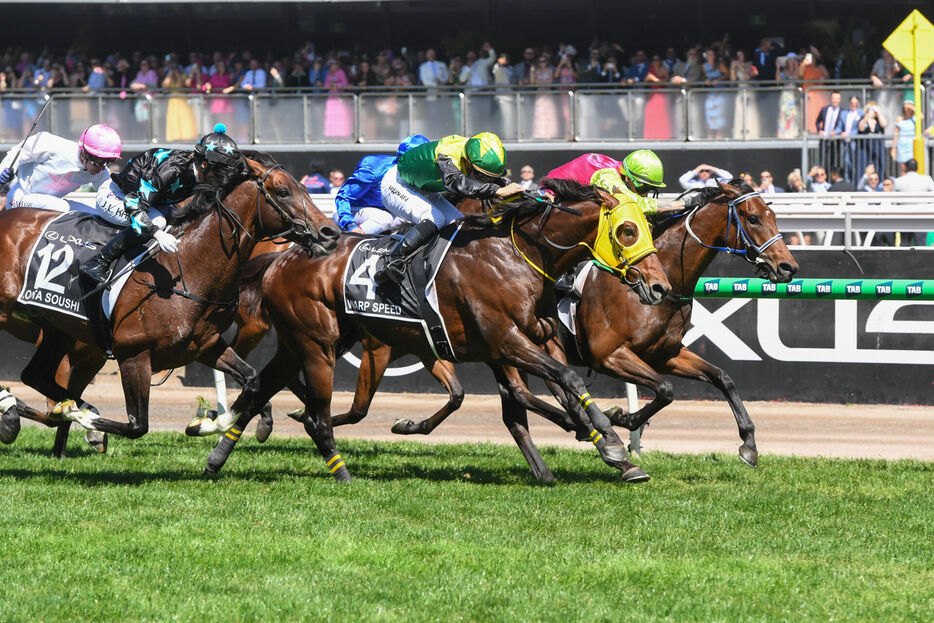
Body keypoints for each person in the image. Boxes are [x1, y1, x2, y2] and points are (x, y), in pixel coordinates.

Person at [79, 124, 243, 283]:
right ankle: (99, 262)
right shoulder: (171, 171)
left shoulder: (201, 169)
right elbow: (134, 205)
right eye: (222, 172)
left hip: (150, 202)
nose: (224, 178)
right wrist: (158, 234)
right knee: (158, 222)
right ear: (205, 165)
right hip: (116, 195)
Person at [374, 132, 523, 284]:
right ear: (468, 162)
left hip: (424, 188)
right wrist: (496, 190)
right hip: (397, 184)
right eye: (481, 176)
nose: (484, 181)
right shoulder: (448, 152)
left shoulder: (472, 155)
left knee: (458, 224)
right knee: (434, 218)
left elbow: (494, 179)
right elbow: (456, 182)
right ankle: (393, 261)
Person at [0, 123, 121, 212]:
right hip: (20, 197)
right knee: (61, 207)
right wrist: (5, 169)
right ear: (84, 153)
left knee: (96, 215)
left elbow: (112, 196)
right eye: (99, 161)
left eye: (108, 161)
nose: (102, 168)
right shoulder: (52, 144)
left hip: (49, 205)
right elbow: (17, 152)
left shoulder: (100, 172)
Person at [333, 134, 430, 234]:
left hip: (385, 213)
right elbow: (343, 197)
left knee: (416, 216)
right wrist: (350, 224)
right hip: (349, 212)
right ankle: (353, 240)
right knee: (384, 218)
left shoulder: (415, 175)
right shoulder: (374, 171)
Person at [547, 151, 688, 217]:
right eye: (643, 187)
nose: (645, 193)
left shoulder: (622, 171)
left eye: (650, 189)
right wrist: (683, 203)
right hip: (552, 196)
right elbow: (633, 203)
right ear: (627, 178)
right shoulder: (606, 177)